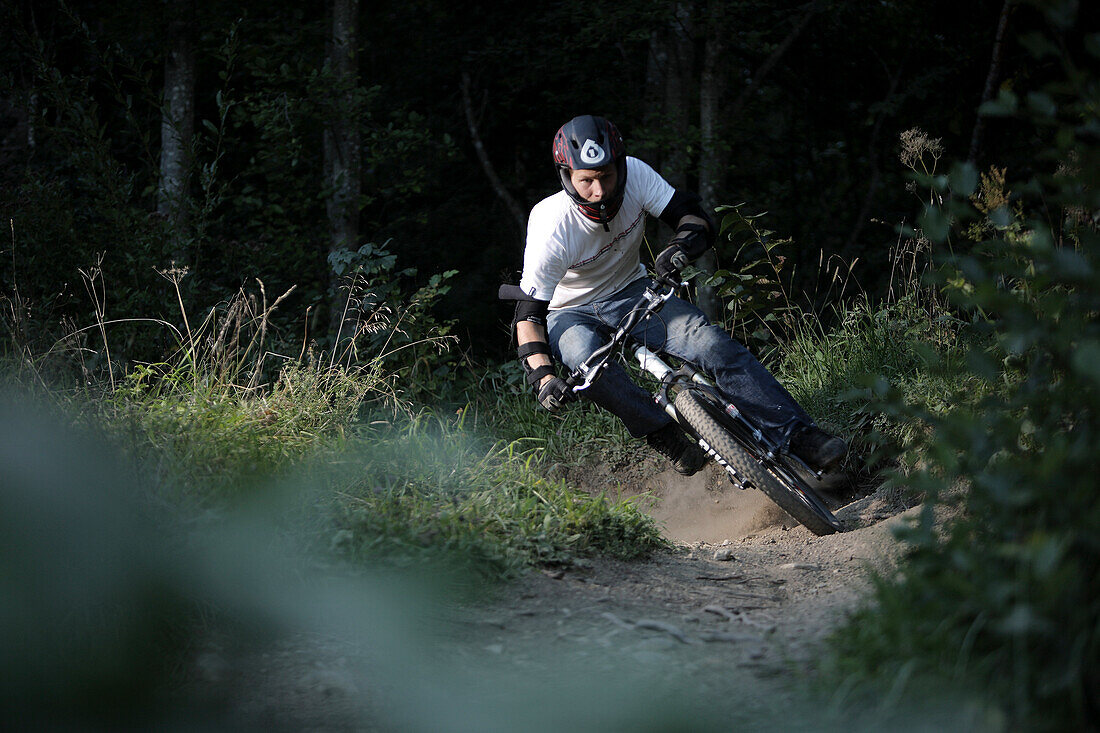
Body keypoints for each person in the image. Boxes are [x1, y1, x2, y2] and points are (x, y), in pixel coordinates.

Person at [506, 114, 846, 476]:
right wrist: (543, 379)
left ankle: (801, 438)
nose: (599, 190)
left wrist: (679, 247)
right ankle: (665, 434)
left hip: (631, 290)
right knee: (588, 367)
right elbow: (528, 316)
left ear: (620, 166)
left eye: (606, 176)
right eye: (586, 180)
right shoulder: (551, 226)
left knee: (710, 344)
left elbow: (693, 217)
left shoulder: (636, 174)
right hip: (569, 311)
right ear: (567, 178)